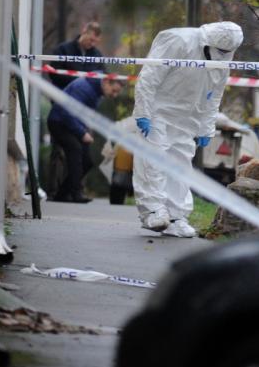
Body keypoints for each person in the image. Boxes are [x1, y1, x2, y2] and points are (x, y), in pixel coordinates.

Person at [132, 22, 243, 237]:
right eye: (220, 51)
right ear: (208, 42)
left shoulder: (224, 59)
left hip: (188, 117)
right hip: (159, 111)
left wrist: (206, 127)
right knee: (151, 160)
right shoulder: (178, 40)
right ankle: (152, 211)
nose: (222, 56)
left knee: (181, 166)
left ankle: (176, 217)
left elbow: (215, 95)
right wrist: (143, 112)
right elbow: (149, 77)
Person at [47, 76, 125, 203]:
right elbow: (67, 112)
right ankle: (76, 193)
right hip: (58, 122)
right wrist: (82, 132)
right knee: (75, 150)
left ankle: (62, 194)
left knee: (87, 160)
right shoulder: (83, 88)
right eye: (114, 90)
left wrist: (85, 130)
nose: (114, 95)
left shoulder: (96, 92)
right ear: (106, 82)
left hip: (70, 125)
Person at [48, 21, 105, 89]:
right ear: (83, 32)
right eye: (91, 40)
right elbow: (54, 73)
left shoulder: (97, 55)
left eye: (96, 42)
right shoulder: (63, 49)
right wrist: (78, 81)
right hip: (62, 93)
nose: (93, 44)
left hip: (85, 97)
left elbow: (102, 76)